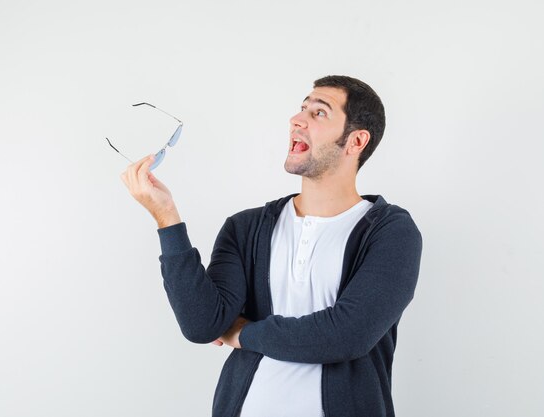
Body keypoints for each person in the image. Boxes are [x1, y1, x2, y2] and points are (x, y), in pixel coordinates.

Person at [121, 75, 423, 417]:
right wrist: (167, 217)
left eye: (319, 113)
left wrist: (244, 333)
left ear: (356, 141)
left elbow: (347, 334)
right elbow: (202, 325)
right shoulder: (246, 228)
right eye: (302, 108)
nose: (297, 120)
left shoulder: (390, 231)